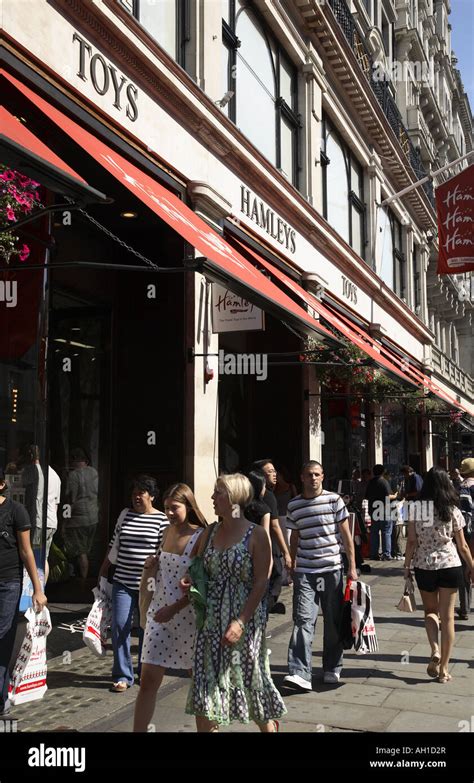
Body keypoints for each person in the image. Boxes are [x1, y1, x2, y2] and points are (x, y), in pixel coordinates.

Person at [185, 473, 286, 731]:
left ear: (234, 498)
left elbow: (261, 582)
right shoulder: (209, 532)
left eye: (218, 492)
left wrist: (240, 622)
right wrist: (190, 579)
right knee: (205, 683)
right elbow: (197, 567)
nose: (212, 497)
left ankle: (269, 727)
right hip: (211, 621)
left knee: (251, 679)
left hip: (245, 621)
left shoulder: (257, 535)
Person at [133, 483, 207, 732]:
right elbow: (161, 572)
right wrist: (150, 565)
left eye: (174, 508)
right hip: (159, 614)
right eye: (165, 508)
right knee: (148, 681)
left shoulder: (201, 536)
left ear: (188, 505)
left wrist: (175, 608)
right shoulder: (165, 532)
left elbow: (202, 585)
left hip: (189, 618)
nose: (169, 513)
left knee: (199, 682)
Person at [284, 460, 357, 691]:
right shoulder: (294, 505)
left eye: (317, 474)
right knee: (303, 619)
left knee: (333, 622)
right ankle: (300, 673)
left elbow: (346, 536)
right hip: (305, 571)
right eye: (309, 475)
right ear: (302, 478)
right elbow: (294, 537)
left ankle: (332, 667)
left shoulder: (334, 500)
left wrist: (352, 567)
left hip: (332, 568)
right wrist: (291, 563)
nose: (313, 478)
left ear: (323, 476)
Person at [403, 467, 474, 683]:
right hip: (450, 565)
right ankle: (443, 669)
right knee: (448, 618)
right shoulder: (452, 510)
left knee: (430, 613)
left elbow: (411, 541)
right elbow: (462, 545)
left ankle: (434, 648)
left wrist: (406, 566)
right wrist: (471, 566)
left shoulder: (416, 509)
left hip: (424, 566)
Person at [98, 475, 169, 692]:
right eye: (134, 493)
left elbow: (163, 553)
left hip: (148, 586)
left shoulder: (162, 520)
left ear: (152, 496)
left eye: (142, 493)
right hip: (122, 580)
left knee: (145, 628)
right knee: (120, 626)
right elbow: (114, 544)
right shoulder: (125, 515)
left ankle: (144, 671)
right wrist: (102, 571)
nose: (137, 497)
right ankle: (122, 675)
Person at [0, 467, 47, 717]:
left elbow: (27, 551)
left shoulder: (15, 511)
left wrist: (38, 590)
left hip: (7, 583)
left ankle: (1, 698)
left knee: (3, 636)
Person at [252, 459, 291, 613]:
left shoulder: (249, 498)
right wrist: (286, 552)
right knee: (274, 580)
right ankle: (264, 611)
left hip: (255, 547)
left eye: (275, 471)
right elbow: (274, 527)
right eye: (270, 472)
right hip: (268, 548)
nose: (275, 474)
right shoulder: (268, 496)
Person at [20, 446, 61, 582]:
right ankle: (42, 591)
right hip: (51, 521)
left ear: (31, 455)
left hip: (38, 520)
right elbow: (56, 504)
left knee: (31, 556)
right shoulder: (55, 475)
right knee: (44, 558)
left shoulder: (32, 471)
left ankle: (34, 591)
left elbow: (20, 488)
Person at [64, 448, 99, 579]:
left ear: (74, 460)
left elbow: (71, 498)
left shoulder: (74, 475)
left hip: (79, 518)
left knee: (81, 552)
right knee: (88, 549)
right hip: (93, 515)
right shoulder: (94, 472)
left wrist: (65, 521)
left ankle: (82, 581)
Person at [366, 464, 398, 561]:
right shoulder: (384, 482)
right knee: (386, 532)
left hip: (374, 510)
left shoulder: (370, 482)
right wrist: (395, 496)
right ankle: (386, 554)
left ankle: (374, 553)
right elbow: (388, 496)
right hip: (385, 510)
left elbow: (366, 496)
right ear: (383, 472)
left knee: (374, 533)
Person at [456, 457, 474, 620]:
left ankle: (465, 608)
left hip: (468, 535)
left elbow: (464, 514)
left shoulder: (463, 488)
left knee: (465, 571)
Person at [274, 466, 298, 586]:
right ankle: (282, 575)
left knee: (288, 544)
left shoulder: (290, 487)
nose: (276, 478)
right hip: (277, 519)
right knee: (279, 545)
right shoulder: (275, 489)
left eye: (278, 475)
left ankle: (290, 574)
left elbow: (296, 501)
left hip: (288, 518)